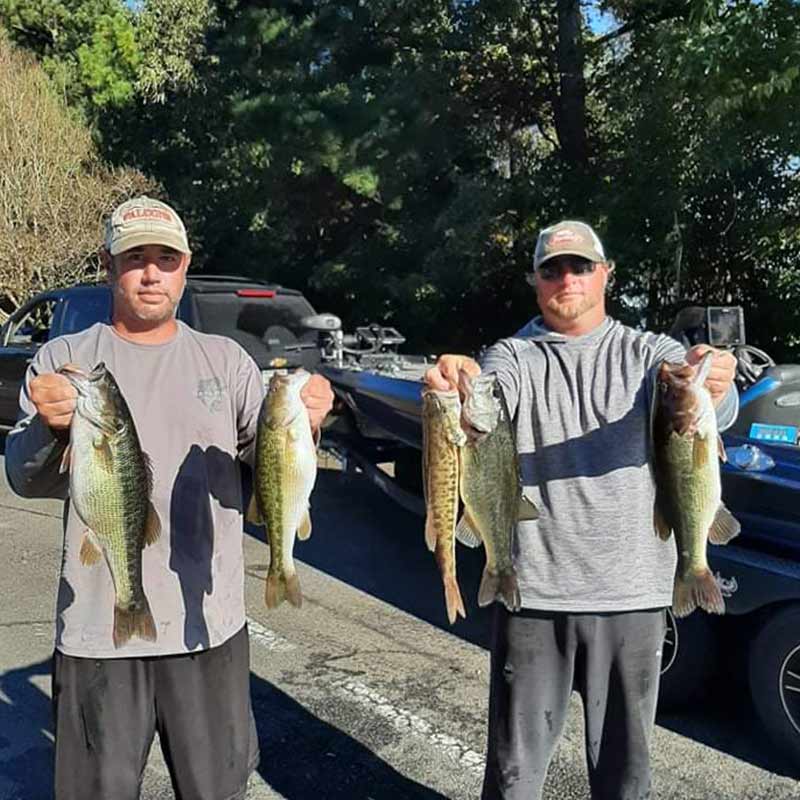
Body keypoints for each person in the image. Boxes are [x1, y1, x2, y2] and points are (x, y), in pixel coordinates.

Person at [4, 196, 334, 800]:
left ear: (185, 268)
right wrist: (42, 431)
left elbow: (267, 463)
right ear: (108, 265)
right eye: (135, 258)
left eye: (166, 258)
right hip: (95, 632)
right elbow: (26, 479)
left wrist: (303, 422)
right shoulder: (64, 361)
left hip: (207, 631)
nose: (151, 273)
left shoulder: (227, 361)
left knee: (215, 789)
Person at [424, 220, 738, 800]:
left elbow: (711, 392)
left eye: (580, 266)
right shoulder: (513, 355)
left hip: (635, 597)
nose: (566, 278)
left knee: (626, 775)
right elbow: (489, 399)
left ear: (606, 275)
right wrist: (458, 384)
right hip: (535, 594)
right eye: (552, 269)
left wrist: (716, 380)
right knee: (514, 774)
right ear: (535, 281)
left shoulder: (650, 354)